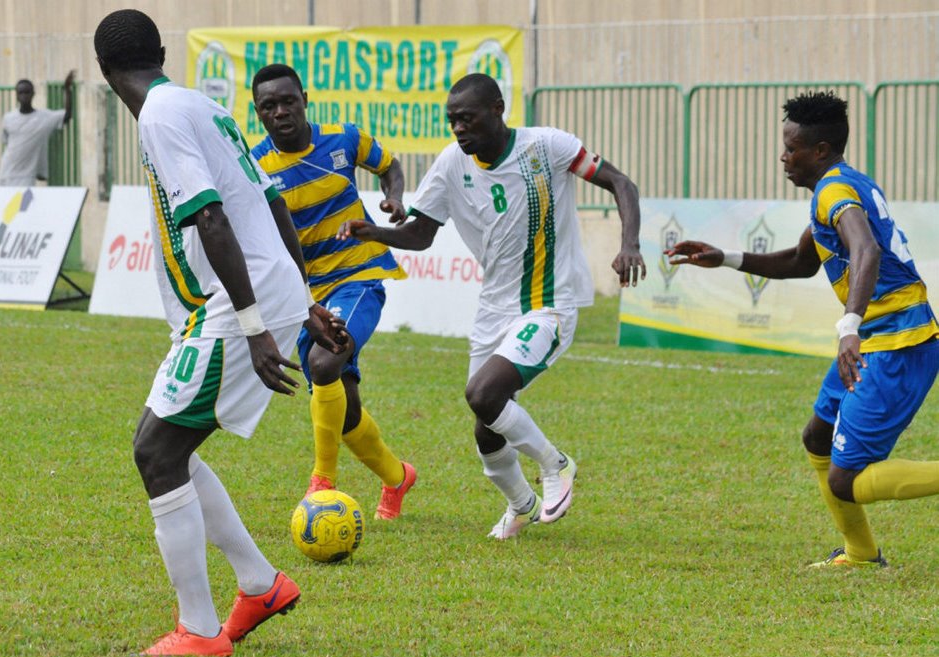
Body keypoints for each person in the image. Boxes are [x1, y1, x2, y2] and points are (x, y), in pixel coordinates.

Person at [94, 9, 346, 655]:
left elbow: (211, 217)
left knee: (157, 452)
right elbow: (271, 203)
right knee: (170, 448)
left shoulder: (158, 115)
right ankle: (259, 585)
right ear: (161, 53)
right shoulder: (201, 106)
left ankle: (200, 632)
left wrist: (258, 324)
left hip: (238, 304)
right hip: (249, 296)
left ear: (104, 71)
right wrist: (306, 298)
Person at [339, 73, 646, 540]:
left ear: (498, 109)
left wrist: (630, 244)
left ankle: (556, 464)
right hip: (494, 308)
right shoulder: (449, 165)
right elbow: (421, 234)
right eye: (451, 121)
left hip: (549, 304)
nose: (458, 129)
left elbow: (622, 183)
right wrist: (376, 233)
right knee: (487, 429)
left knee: (484, 395)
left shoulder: (546, 147)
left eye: (467, 118)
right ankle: (521, 505)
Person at [667, 91, 939, 567]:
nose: (783, 156)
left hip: (897, 341)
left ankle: (859, 553)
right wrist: (726, 258)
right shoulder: (837, 185)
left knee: (845, 479)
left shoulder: (835, 192)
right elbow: (800, 261)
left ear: (819, 150)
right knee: (817, 436)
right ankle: (859, 554)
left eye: (791, 148)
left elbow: (866, 251)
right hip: (875, 339)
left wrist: (849, 327)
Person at [250, 64, 417, 520]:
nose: (281, 111)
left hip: (358, 274)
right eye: (269, 106)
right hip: (304, 295)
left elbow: (390, 166)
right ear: (258, 113)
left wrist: (395, 199)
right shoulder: (256, 166)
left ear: (305, 98)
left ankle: (322, 481)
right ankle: (398, 478)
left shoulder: (343, 139)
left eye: (288, 101)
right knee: (344, 409)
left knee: (326, 362)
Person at [0, 70, 76, 187]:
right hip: (6, 172)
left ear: (33, 94)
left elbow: (67, 115)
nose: (24, 95)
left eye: (27, 92)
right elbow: (5, 141)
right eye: (21, 92)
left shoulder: (44, 118)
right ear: (17, 95)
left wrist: (67, 90)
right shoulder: (8, 118)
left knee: (23, 204)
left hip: (27, 175)